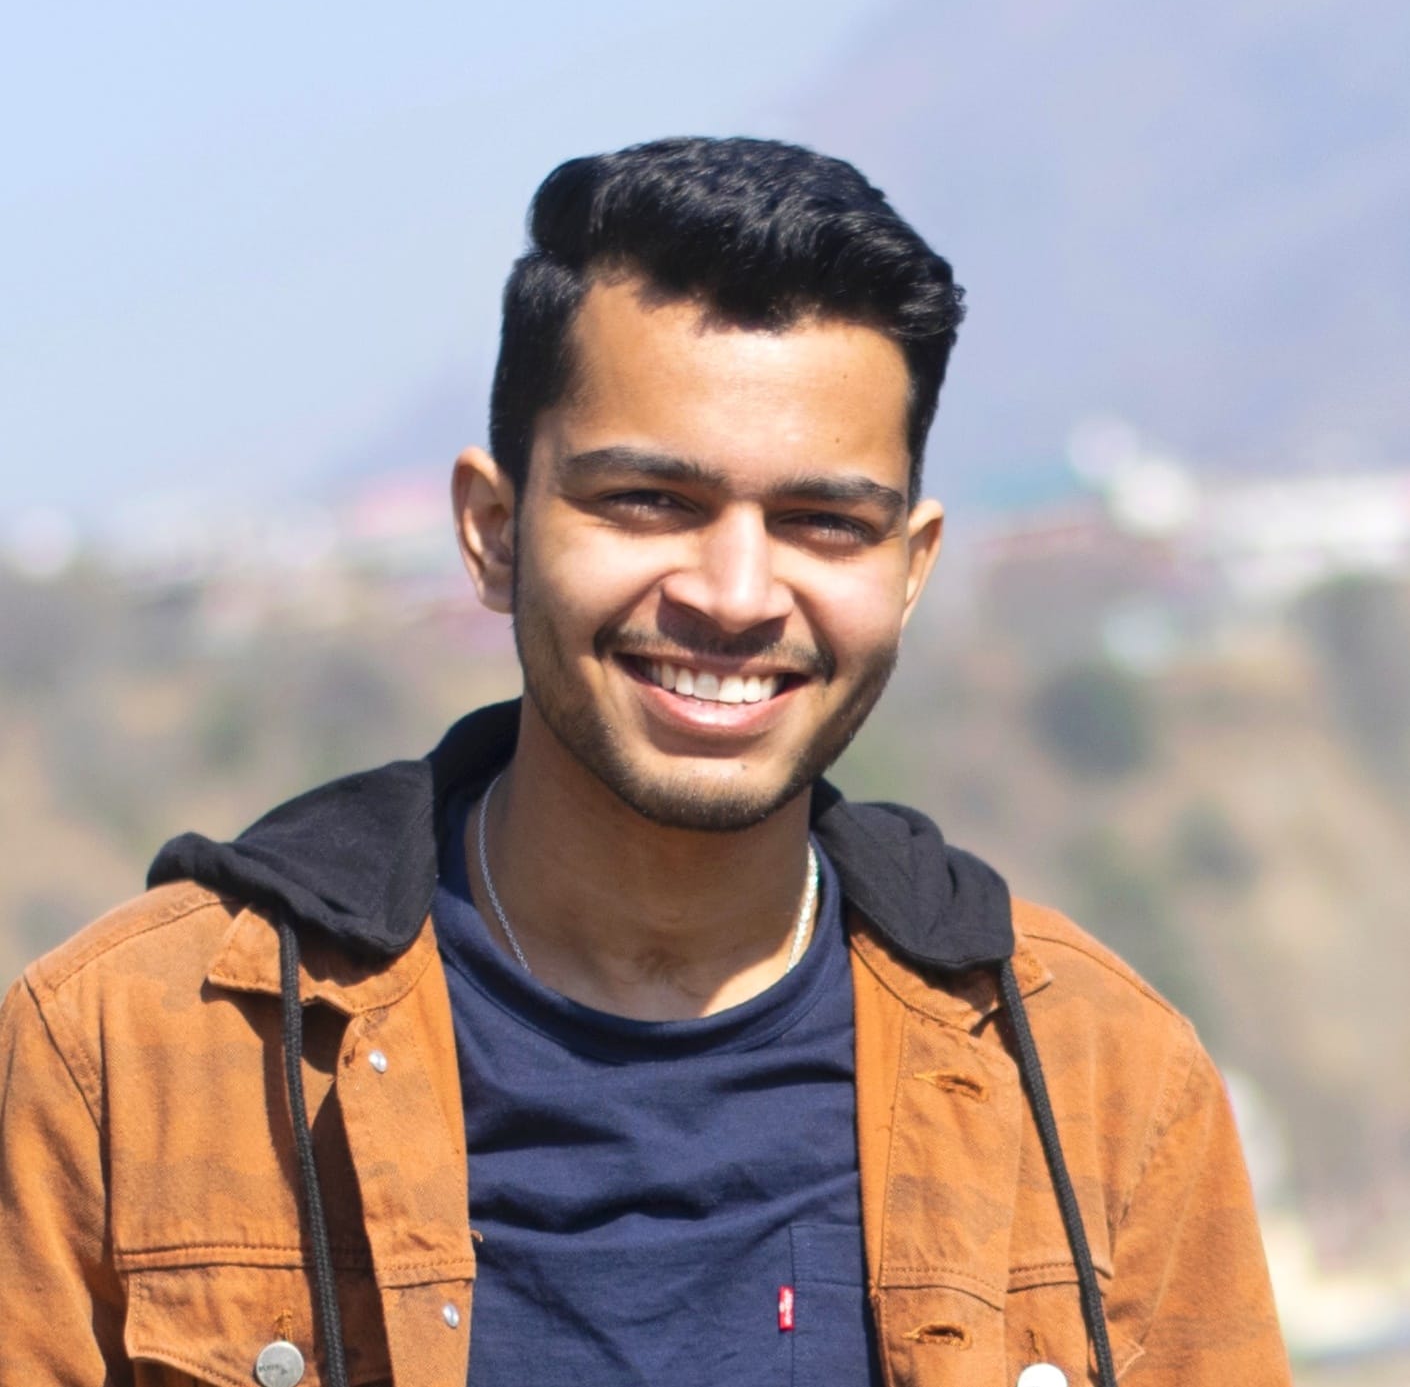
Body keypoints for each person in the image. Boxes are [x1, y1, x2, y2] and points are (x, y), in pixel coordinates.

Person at [0, 137, 1289, 1387]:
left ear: (910, 570)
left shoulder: (1100, 1089)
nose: (734, 594)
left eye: (823, 522)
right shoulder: (134, 1059)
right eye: (649, 502)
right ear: (495, 530)